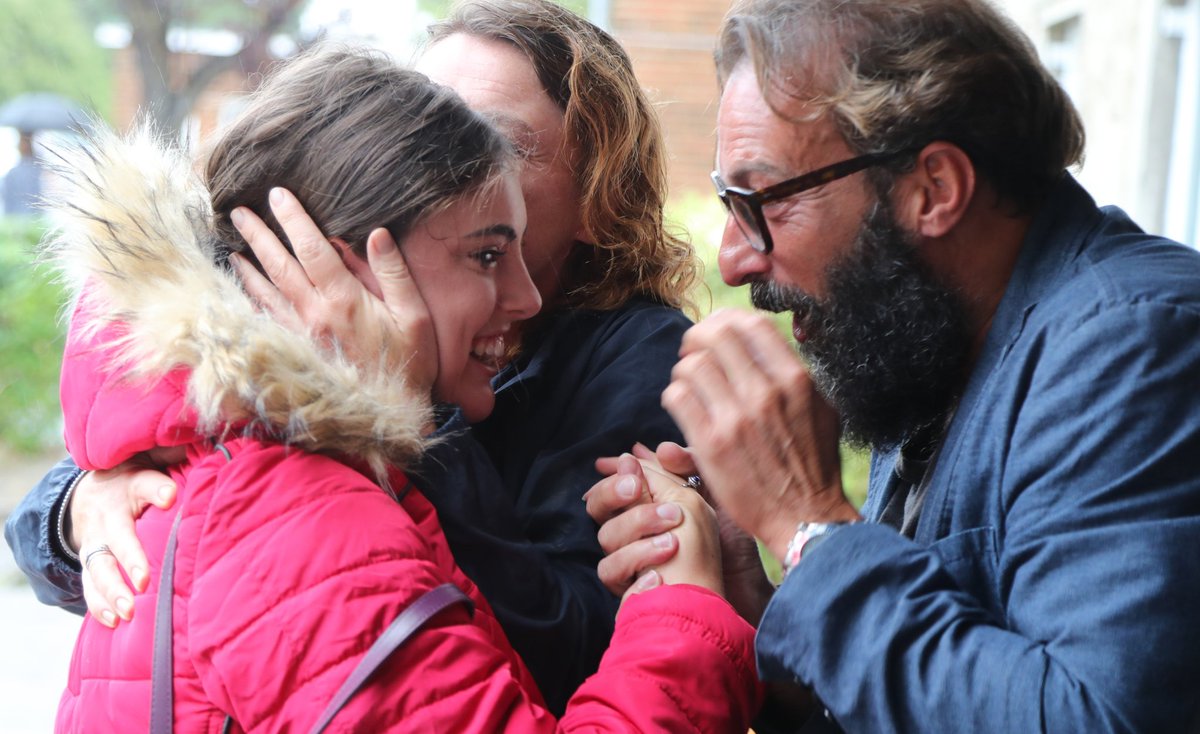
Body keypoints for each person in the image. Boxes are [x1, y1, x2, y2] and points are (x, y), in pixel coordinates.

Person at [4, 0, 698, 712]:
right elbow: (143, 465)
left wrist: (406, 409)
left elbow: (577, 651)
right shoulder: (284, 368)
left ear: (600, 189)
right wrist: (79, 507)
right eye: (425, 111)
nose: (447, 147)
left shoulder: (635, 356)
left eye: (492, 135)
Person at [589, 0, 1200, 732]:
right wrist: (753, 595)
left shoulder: (1134, 344)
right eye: (728, 202)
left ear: (932, 189)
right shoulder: (927, 334)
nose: (731, 255)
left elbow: (1093, 718)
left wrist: (808, 525)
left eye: (764, 200)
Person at [2, 130, 42, 216]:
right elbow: (8, 200)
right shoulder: (12, 173)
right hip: (17, 219)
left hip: (36, 219)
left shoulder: (41, 170)